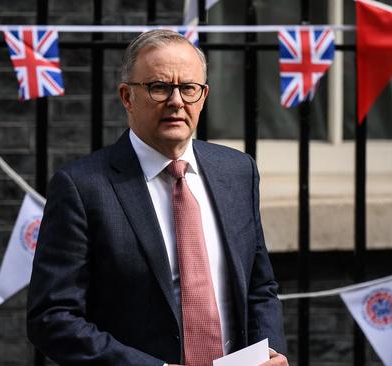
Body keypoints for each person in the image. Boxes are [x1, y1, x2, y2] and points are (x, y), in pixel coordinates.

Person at [27, 29, 288, 366]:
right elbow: (52, 318)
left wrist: (269, 353)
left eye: (188, 88)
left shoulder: (238, 171)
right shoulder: (81, 186)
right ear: (126, 97)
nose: (176, 101)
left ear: (203, 96)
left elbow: (259, 287)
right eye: (159, 87)